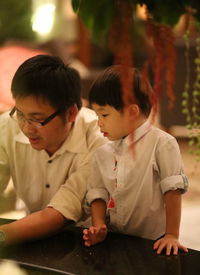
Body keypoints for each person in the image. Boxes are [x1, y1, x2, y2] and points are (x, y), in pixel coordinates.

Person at [0, 54, 106, 245]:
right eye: (21, 114)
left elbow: (58, 214)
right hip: (30, 234)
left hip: (87, 241)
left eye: (37, 119)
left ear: (71, 112)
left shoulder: (98, 141)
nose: (26, 127)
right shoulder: (7, 125)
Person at [83, 65, 189, 255]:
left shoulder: (162, 143)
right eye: (96, 115)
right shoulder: (102, 152)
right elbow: (97, 193)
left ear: (132, 112)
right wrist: (98, 226)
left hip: (153, 241)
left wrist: (172, 235)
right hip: (116, 240)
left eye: (104, 114)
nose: (99, 122)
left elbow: (172, 190)